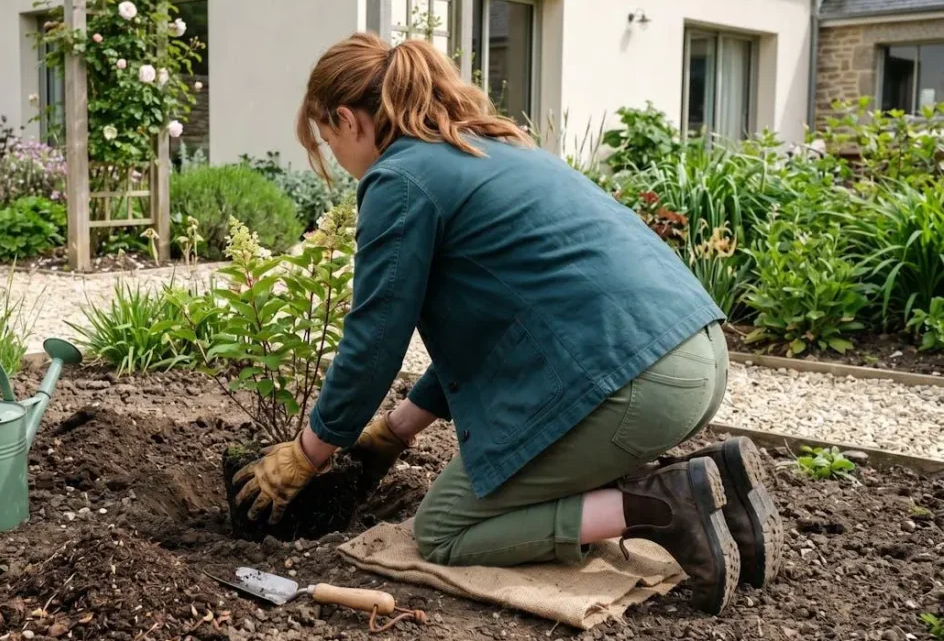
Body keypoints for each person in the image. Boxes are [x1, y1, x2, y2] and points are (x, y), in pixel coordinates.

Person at [230, 32, 782, 615]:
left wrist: (309, 453)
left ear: (348, 119)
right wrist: (397, 430)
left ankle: (663, 504)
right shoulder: (487, 149)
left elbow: (373, 343)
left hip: (635, 386)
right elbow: (495, 330)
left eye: (326, 137)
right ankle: (718, 484)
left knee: (444, 530)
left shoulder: (400, 180)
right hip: (696, 358)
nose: (334, 156)